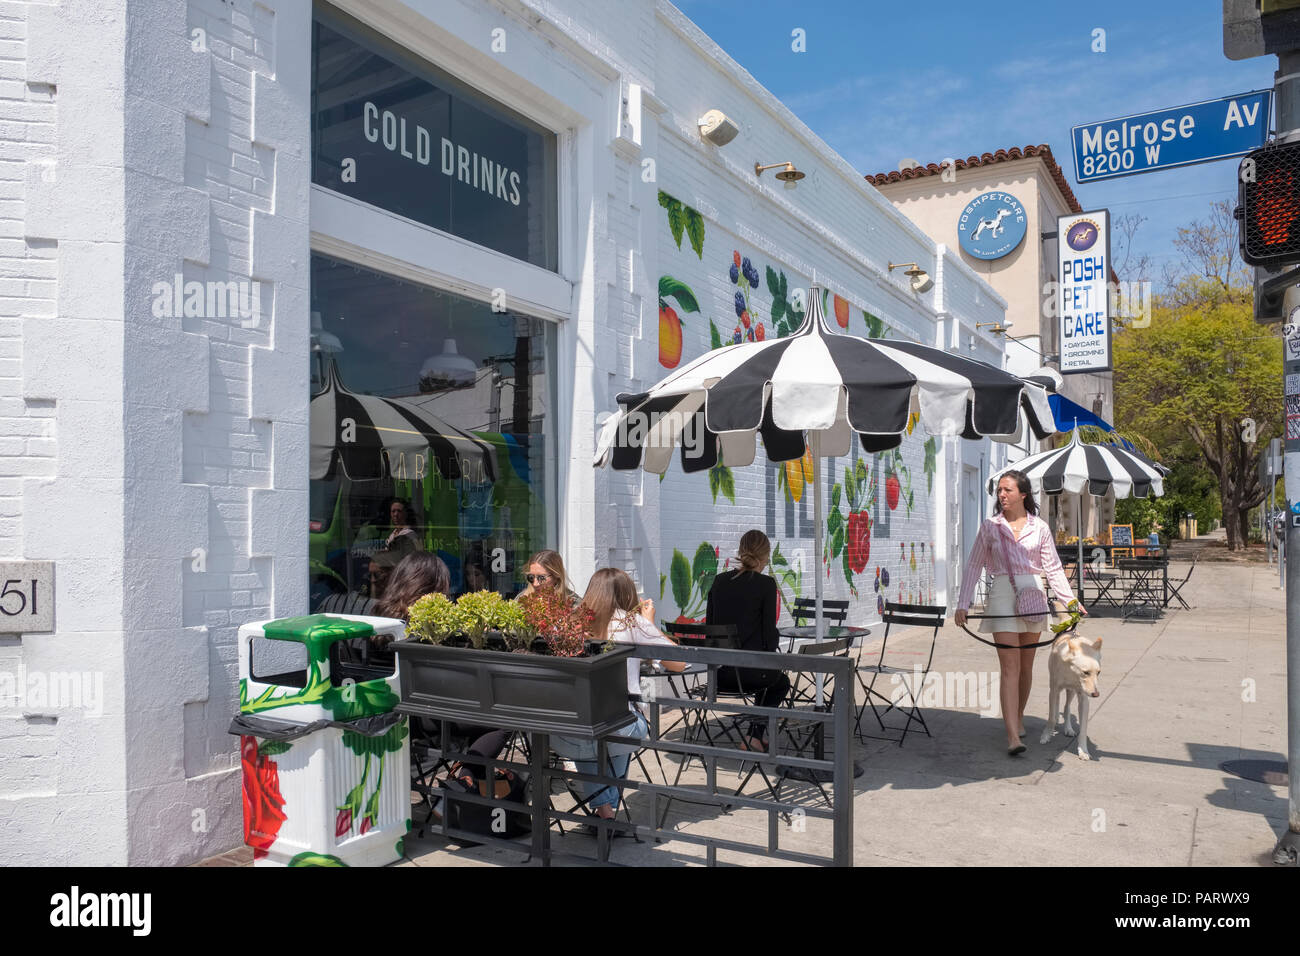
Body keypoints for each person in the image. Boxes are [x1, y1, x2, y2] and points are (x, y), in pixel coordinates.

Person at [954, 470, 1087, 756]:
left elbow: (1052, 568)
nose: (1001, 495)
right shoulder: (991, 526)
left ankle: (1018, 715)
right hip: (1002, 594)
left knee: (1026, 666)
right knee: (1010, 666)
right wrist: (963, 603)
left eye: (1007, 490)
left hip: (1033, 595)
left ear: (1023, 494)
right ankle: (1013, 734)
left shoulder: (1039, 527)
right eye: (1000, 490)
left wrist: (1071, 602)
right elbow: (974, 565)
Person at [368, 551, 511, 800]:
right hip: (428, 715)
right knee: (506, 718)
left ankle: (463, 775)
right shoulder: (428, 623)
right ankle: (463, 775)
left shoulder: (378, 614)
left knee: (484, 717)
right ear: (432, 586)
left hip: (389, 711)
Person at [551, 568, 686, 828]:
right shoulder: (630, 622)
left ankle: (604, 809)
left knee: (593, 728)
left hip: (567, 734)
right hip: (620, 731)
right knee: (617, 722)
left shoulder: (567, 623)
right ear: (627, 594)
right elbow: (678, 664)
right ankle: (607, 809)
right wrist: (648, 623)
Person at [705, 529, 790, 753]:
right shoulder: (766, 584)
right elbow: (769, 637)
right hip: (751, 675)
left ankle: (754, 736)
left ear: (741, 552)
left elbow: (710, 628)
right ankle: (753, 735)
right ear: (766, 556)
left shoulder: (719, 581)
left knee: (766, 676)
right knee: (779, 682)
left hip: (719, 675)